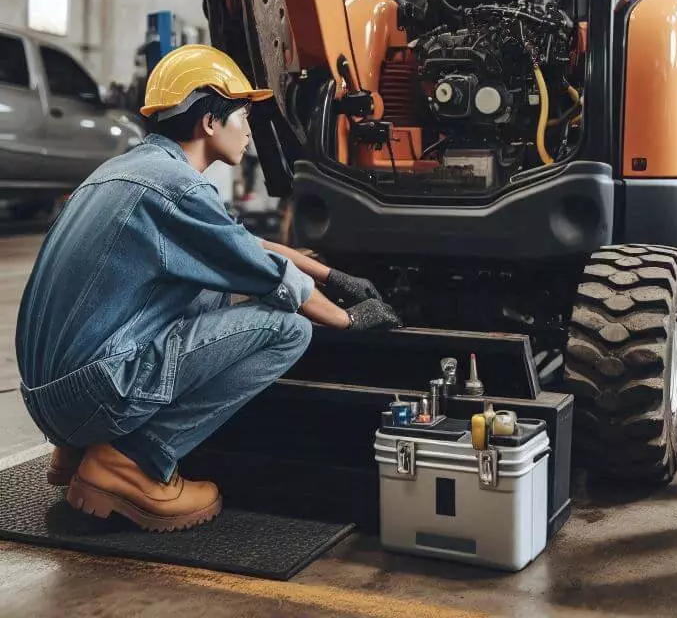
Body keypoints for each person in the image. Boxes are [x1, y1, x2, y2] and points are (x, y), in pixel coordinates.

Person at [16, 45, 400, 533]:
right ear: (209, 121)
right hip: (92, 395)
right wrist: (349, 318)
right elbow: (267, 275)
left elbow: (243, 243)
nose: (249, 130)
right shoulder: (179, 189)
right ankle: (133, 460)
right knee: (289, 330)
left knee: (207, 284)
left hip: (47, 397)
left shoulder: (129, 171)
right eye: (242, 114)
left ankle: (76, 453)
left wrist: (332, 276)